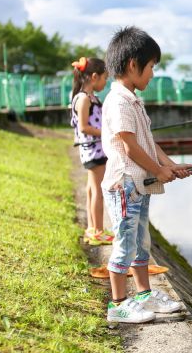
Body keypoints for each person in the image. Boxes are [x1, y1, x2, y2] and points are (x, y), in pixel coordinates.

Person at [101, 26, 192, 323]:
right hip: (124, 184)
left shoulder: (132, 101)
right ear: (133, 64)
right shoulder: (118, 102)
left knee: (141, 242)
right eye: (151, 66)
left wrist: (171, 165)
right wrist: (159, 169)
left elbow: (147, 143)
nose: (153, 74)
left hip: (139, 183)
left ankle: (143, 294)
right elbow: (129, 147)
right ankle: (118, 304)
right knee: (126, 241)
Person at [70, 57, 113, 246]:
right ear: (94, 77)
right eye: (105, 78)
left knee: (91, 189)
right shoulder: (84, 99)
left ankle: (92, 228)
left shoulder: (90, 98)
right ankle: (98, 231)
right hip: (94, 151)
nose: (105, 83)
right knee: (98, 191)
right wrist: (107, 132)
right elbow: (84, 127)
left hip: (95, 150)